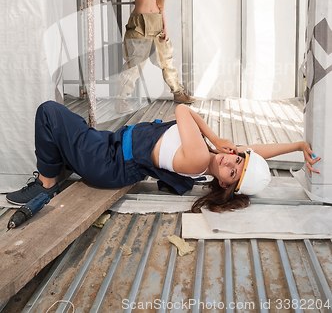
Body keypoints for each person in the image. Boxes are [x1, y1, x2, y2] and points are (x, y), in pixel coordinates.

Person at [6, 101, 320, 212]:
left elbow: (182, 109)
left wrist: (214, 136)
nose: (231, 161)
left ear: (224, 184)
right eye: (238, 159)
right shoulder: (217, 155)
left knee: (50, 112)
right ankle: (62, 165)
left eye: (233, 172)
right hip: (112, 145)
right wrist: (295, 145)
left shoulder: (200, 158)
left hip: (108, 161)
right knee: (69, 127)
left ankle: (46, 183)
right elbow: (254, 152)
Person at [115, 0, 195, 114]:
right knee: (134, 63)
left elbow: (161, 6)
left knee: (166, 61)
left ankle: (178, 93)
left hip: (156, 24)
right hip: (139, 25)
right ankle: (120, 100)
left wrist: (166, 27)